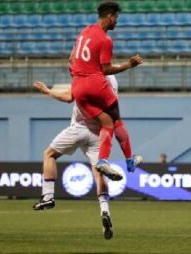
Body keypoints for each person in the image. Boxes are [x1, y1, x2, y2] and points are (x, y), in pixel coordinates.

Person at [32, 76, 140, 240]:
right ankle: (105, 210)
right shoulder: (112, 81)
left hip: (78, 128)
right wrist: (128, 156)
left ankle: (47, 196)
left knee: (49, 154)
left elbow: (68, 97)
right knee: (99, 173)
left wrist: (48, 91)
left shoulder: (84, 74)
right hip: (99, 134)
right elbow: (117, 123)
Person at [69, 1, 142, 179]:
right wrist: (129, 64)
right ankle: (124, 160)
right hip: (95, 84)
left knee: (107, 122)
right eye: (116, 17)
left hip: (78, 86)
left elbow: (71, 58)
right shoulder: (105, 39)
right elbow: (106, 69)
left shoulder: (85, 31)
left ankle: (104, 161)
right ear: (110, 16)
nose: (117, 21)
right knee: (116, 118)